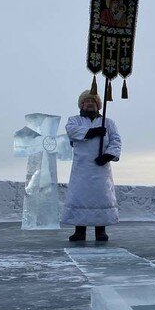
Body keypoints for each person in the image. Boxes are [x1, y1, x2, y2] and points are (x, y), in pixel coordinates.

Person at [62, 90, 122, 242]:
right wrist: (93, 131)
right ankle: (79, 231)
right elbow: (72, 132)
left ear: (98, 105)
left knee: (100, 197)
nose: (89, 104)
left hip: (100, 168)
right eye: (86, 101)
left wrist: (108, 155)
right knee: (80, 197)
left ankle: (100, 231)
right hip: (81, 167)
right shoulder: (74, 120)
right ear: (81, 105)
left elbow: (116, 140)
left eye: (92, 101)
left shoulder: (108, 122)